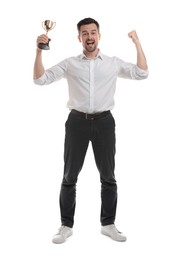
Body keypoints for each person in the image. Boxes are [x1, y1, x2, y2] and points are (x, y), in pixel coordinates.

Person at [33, 17, 148, 244]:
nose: (89, 37)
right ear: (79, 38)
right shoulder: (69, 64)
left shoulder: (112, 63)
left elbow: (142, 73)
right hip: (77, 123)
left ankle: (108, 224)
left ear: (99, 36)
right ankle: (66, 225)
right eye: (84, 33)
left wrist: (137, 43)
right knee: (69, 177)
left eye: (93, 32)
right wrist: (39, 51)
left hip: (105, 123)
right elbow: (40, 79)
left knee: (108, 177)